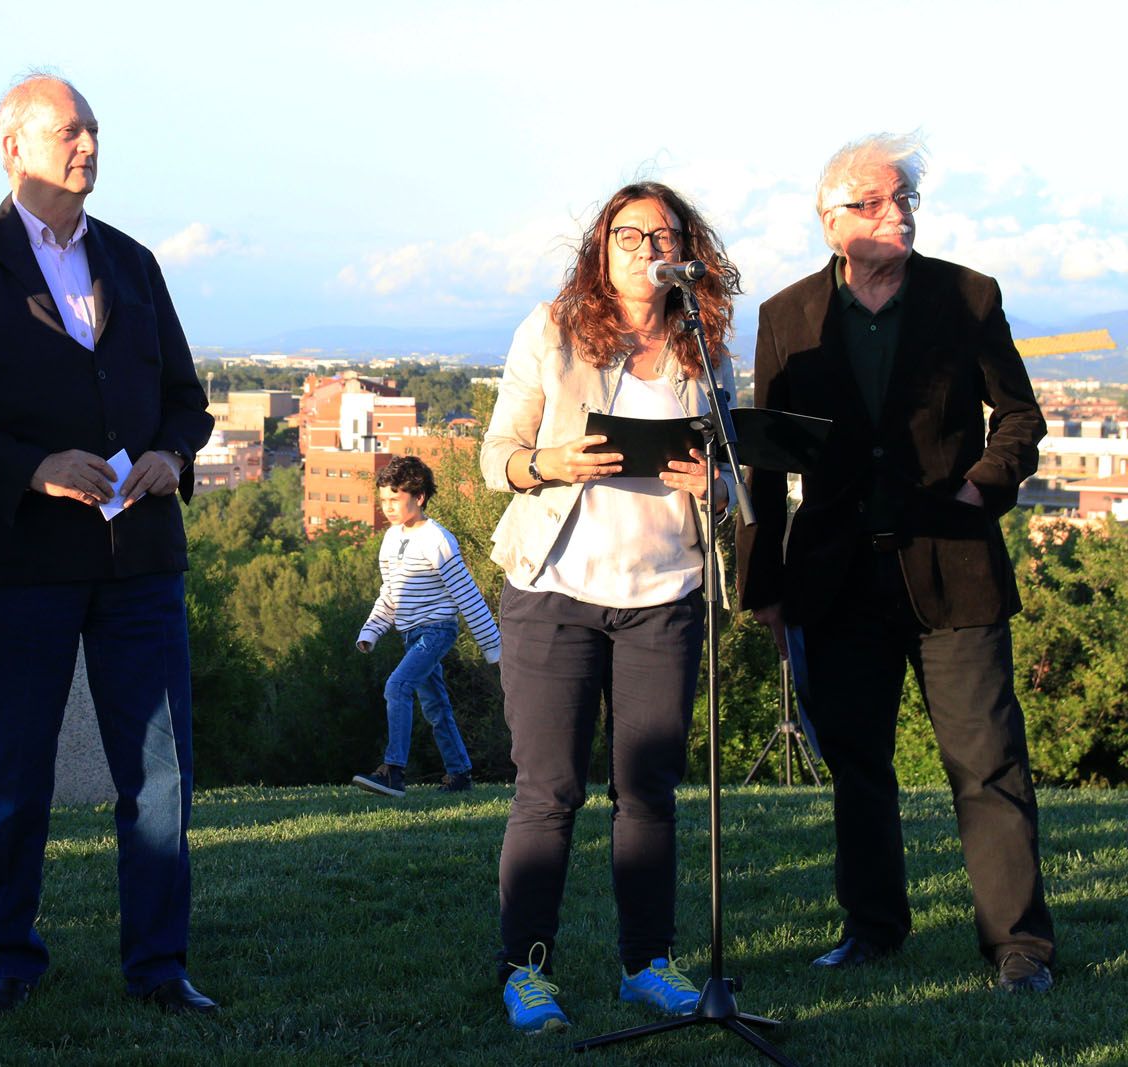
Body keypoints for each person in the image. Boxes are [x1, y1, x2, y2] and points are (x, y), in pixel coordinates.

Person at [0, 72, 217, 1019]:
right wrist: (33, 467)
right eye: (68, 130)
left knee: (160, 775)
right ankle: (11, 959)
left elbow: (189, 403)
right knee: (18, 776)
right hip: (25, 564)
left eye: (93, 129)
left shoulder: (134, 262)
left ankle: (159, 966)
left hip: (139, 565)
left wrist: (170, 453)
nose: (87, 144)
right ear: (14, 148)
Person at [736, 133, 1055, 992]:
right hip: (835, 579)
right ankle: (873, 928)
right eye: (877, 202)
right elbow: (763, 460)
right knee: (858, 762)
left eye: (905, 199)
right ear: (833, 222)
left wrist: (979, 491)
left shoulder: (967, 296)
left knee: (987, 761)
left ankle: (1019, 947)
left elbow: (1019, 418)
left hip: (955, 568)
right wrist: (760, 584)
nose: (899, 214)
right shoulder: (786, 315)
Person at [480, 182, 737, 1033]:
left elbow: (738, 473)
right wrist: (549, 462)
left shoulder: (705, 343)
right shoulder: (550, 330)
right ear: (600, 246)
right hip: (555, 593)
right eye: (628, 235)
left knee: (649, 792)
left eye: (663, 235)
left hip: (665, 596)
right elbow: (496, 460)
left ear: (685, 248)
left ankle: (647, 964)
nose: (646, 248)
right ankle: (527, 969)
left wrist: (717, 484)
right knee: (549, 790)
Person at [351, 455, 502, 798]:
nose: (387, 506)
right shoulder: (391, 539)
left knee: (397, 686)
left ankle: (393, 772)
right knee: (436, 706)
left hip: (436, 631)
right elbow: (391, 592)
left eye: (395, 498)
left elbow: (468, 596)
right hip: (410, 633)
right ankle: (459, 774)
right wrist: (371, 630)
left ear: (418, 497)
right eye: (383, 499)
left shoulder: (438, 540)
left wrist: (494, 648)